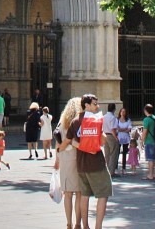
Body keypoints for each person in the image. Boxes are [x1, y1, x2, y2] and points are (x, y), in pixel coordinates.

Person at [66, 94, 111, 229]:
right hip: (96, 164)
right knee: (103, 195)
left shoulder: (75, 121)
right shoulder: (95, 120)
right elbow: (103, 141)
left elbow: (71, 141)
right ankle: (98, 227)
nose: (97, 106)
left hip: (81, 164)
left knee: (84, 195)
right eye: (95, 104)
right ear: (86, 105)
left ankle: (85, 225)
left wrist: (78, 145)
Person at [55, 97, 84, 229]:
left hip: (65, 158)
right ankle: (78, 223)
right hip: (78, 157)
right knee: (79, 193)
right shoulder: (79, 122)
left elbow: (57, 142)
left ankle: (68, 223)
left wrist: (57, 160)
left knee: (67, 194)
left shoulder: (62, 123)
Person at [142, 103, 155, 181]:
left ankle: (150, 175)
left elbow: (145, 131)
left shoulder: (146, 120)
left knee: (150, 159)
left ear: (145, 110)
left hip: (149, 141)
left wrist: (142, 141)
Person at [102, 102, 120, 175]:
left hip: (105, 135)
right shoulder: (113, 118)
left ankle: (106, 170)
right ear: (114, 109)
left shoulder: (104, 116)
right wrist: (116, 137)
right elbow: (113, 129)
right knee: (113, 154)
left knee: (107, 154)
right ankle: (111, 171)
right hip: (111, 135)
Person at [116, 107, 133, 174]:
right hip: (119, 138)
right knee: (117, 153)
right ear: (120, 112)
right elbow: (117, 129)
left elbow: (129, 129)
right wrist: (124, 129)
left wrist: (121, 129)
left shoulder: (128, 120)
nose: (123, 113)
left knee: (124, 154)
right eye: (122, 111)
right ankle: (116, 167)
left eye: (124, 111)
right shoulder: (117, 120)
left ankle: (124, 168)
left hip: (126, 138)